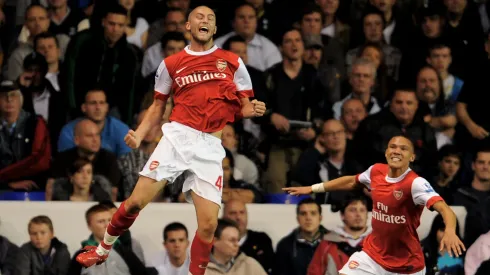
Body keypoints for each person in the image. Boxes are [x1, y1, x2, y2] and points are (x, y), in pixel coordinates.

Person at [75, 5, 266, 275]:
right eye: (199, 17)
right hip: (177, 138)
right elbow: (157, 106)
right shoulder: (171, 64)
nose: (205, 21)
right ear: (187, 26)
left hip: (210, 146)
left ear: (215, 29)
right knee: (135, 202)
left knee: (210, 225)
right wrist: (139, 134)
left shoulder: (233, 62)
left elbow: (244, 107)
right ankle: (102, 250)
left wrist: (254, 109)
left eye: (211, 18)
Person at [284, 135, 465, 275]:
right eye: (393, 147)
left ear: (412, 157)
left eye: (403, 148)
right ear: (386, 152)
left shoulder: (416, 184)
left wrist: (450, 230)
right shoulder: (376, 171)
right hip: (373, 255)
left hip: (407, 265)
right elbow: (351, 181)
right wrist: (313, 188)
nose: (397, 151)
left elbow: (444, 208)